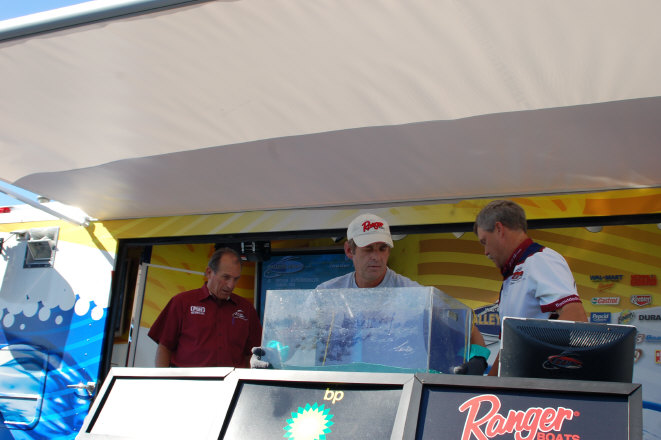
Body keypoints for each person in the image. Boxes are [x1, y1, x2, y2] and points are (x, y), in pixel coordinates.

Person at [252, 213, 489, 374]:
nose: (376, 256)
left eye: (382, 248)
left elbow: (468, 328)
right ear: (349, 250)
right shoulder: (326, 294)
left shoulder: (413, 294)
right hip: (336, 391)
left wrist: (478, 358)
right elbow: (291, 337)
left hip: (397, 392)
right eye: (368, 249)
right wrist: (268, 354)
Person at [474, 200, 588, 376]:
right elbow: (508, 349)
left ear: (499, 229)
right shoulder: (513, 275)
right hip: (522, 384)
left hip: (540, 384)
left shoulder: (540, 259)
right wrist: (488, 385)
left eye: (484, 241)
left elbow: (577, 318)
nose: (486, 252)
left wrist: (536, 366)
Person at [148, 247, 262, 368]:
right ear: (209, 272)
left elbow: (253, 354)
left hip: (232, 379)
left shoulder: (246, 309)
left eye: (236, 279)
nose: (231, 285)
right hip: (188, 379)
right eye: (226, 277)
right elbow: (164, 347)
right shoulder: (182, 302)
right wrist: (163, 378)